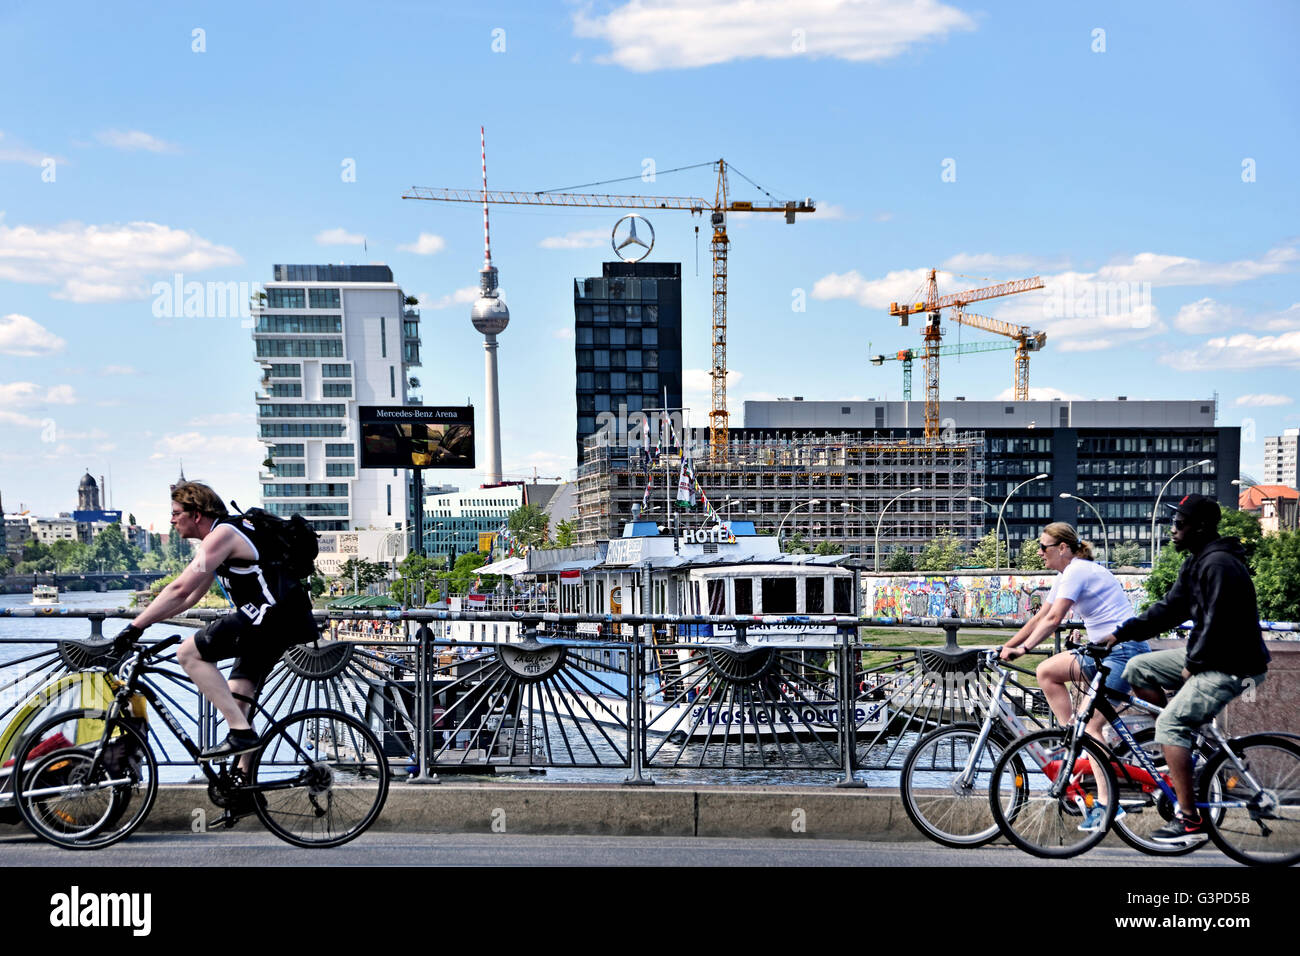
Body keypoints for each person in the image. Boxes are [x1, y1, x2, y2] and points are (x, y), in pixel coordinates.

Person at [1104, 494, 1269, 844]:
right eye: (1173, 523)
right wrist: (1120, 634)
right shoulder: (1196, 563)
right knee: (1137, 668)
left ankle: (1191, 820)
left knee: (1170, 722)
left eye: (1179, 524)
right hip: (1213, 656)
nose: (1173, 530)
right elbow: (1168, 610)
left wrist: (1192, 666)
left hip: (1233, 665)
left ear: (1201, 527)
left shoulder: (1219, 565)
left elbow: (1217, 624)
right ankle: (1183, 743)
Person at [115, 482, 318, 759]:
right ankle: (245, 788)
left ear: (196, 514)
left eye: (176, 513)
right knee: (238, 702)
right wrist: (146, 621)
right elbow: (190, 598)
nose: (171, 520)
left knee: (188, 653)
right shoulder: (222, 537)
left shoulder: (222, 535)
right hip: (280, 621)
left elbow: (179, 589)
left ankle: (240, 734)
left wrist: (134, 627)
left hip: (269, 619)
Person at [999, 522, 1150, 828]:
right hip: (1102, 653)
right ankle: (1072, 737)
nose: (1039, 552)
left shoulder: (1078, 571)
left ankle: (1109, 805)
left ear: (1063, 549)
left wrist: (1024, 649)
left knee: (1093, 728)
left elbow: (1054, 619)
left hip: (1123, 653)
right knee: (1047, 672)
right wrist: (1006, 646)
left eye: (1044, 547)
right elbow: (1040, 616)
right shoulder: (1067, 574)